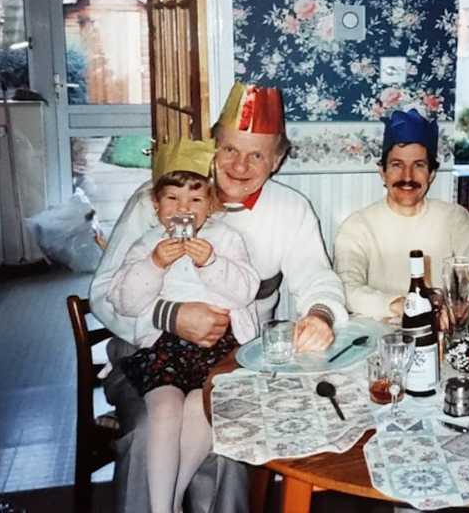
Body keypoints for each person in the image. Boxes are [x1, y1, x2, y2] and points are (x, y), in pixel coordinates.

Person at [90, 82, 347, 513]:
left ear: (278, 159)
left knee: (230, 440)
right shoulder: (158, 200)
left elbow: (318, 278)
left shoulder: (291, 210)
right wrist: (171, 315)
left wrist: (321, 314)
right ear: (214, 145)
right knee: (149, 432)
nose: (240, 166)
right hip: (145, 349)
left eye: (257, 154)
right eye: (230, 150)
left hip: (234, 359)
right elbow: (103, 294)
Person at [109, 136, 260, 513]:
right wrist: (154, 265)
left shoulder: (225, 238)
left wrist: (211, 263)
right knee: (164, 409)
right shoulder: (146, 244)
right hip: (165, 347)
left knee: (201, 408)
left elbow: (245, 290)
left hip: (219, 349)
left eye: (195, 199)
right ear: (156, 205)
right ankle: (161, 507)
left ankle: (171, 502)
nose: (184, 209)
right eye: (173, 199)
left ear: (210, 204)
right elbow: (125, 301)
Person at [334, 108, 469, 325]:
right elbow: (346, 289)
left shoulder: (454, 219)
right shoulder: (357, 227)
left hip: (443, 334)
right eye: (397, 165)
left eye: (419, 165)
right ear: (382, 172)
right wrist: (401, 304)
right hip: (381, 339)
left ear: (431, 174)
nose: (407, 176)